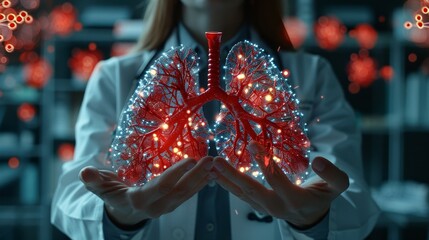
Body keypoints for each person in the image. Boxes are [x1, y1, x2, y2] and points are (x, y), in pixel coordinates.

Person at [51, 0, 380, 239]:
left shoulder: (312, 75)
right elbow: (71, 197)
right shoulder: (114, 77)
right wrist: (117, 217)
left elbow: (355, 203)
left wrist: (315, 218)